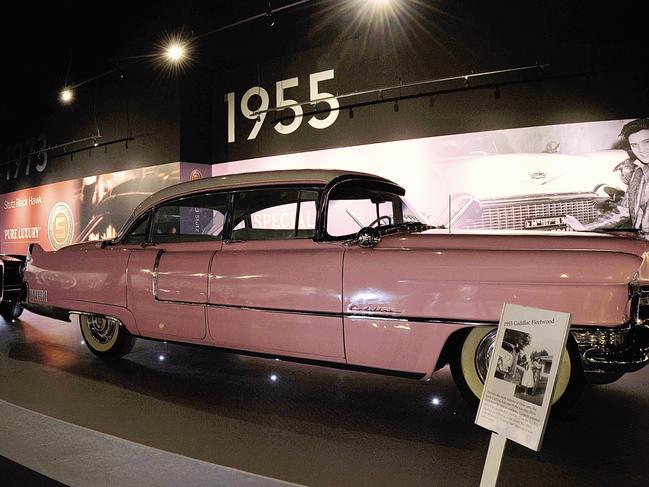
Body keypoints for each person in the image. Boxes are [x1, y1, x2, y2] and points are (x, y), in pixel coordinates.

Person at [565, 118, 649, 234]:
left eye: (647, 142)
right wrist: (585, 227)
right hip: (641, 243)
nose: (641, 150)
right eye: (634, 145)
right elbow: (624, 211)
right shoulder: (637, 174)